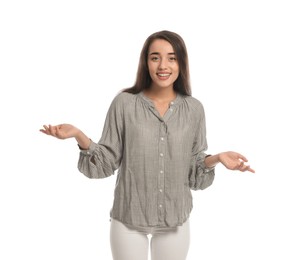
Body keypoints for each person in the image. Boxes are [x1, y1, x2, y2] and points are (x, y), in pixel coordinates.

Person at [40, 30, 255, 260]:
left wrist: (217, 158)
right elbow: (107, 162)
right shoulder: (124, 103)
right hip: (129, 218)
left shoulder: (194, 109)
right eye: (155, 57)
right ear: (146, 62)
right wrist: (79, 135)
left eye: (171, 58)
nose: (163, 65)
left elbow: (193, 169)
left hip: (175, 219)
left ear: (181, 63)